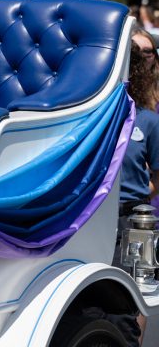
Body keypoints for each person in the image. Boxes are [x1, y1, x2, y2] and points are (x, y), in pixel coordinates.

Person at [112, 43, 159, 342]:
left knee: (134, 298)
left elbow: (157, 174)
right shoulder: (100, 118)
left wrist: (139, 195)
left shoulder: (149, 121)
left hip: (135, 219)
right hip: (93, 219)